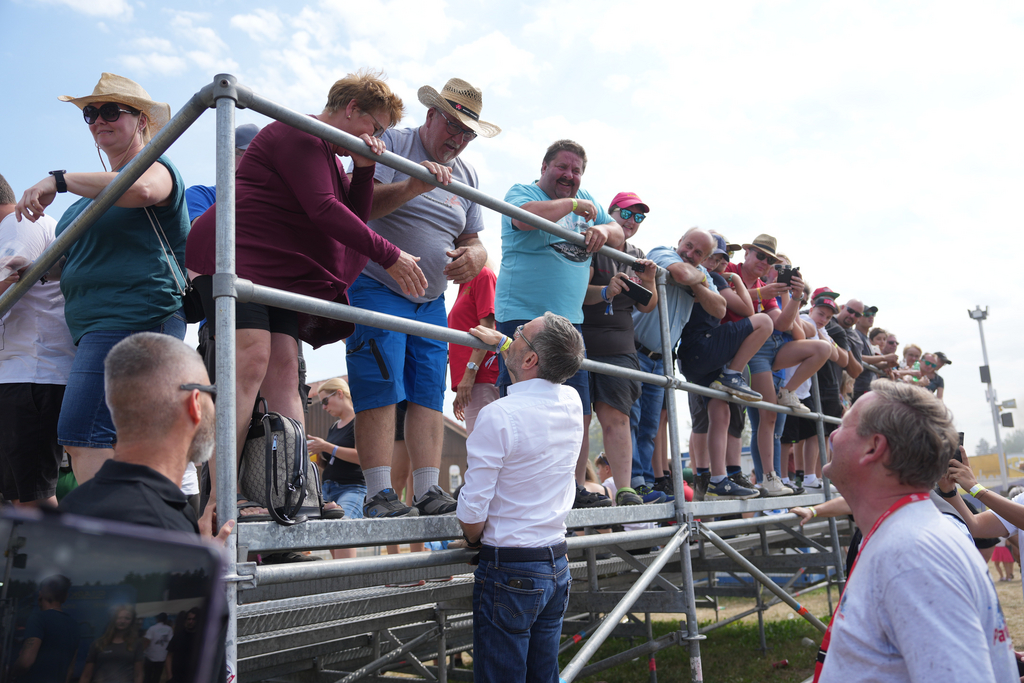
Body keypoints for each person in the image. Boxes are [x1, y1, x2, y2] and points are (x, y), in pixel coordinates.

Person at [186, 70, 422, 523]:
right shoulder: (300, 132)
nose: (377, 138)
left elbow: (354, 215)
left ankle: (292, 491)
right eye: (375, 126)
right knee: (250, 358)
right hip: (232, 252)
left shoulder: (332, 154)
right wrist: (390, 254)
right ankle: (222, 496)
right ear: (351, 109)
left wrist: (365, 169)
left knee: (284, 370)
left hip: (277, 267)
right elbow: (324, 210)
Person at [15, 73, 189, 485]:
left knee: (83, 432)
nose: (98, 120)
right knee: (117, 441)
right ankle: (141, 520)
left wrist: (58, 179)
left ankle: (112, 524)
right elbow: (74, 261)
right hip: (99, 327)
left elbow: (142, 189)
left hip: (134, 316)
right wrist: (31, 270)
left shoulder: (156, 166)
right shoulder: (85, 201)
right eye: (90, 113)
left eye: (111, 111)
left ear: (142, 120)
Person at [347, 77, 498, 519]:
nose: (459, 139)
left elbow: (474, 239)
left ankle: (428, 490)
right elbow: (357, 204)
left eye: (468, 134)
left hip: (431, 301)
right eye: (453, 126)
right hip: (377, 284)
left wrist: (474, 257)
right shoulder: (392, 143)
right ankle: (378, 493)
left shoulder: (467, 174)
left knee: (428, 391)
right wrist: (414, 186)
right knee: (379, 385)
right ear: (430, 115)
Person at [813, 380, 1015, 683]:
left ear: (874, 447)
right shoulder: (907, 537)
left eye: (844, 425)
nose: (831, 434)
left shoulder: (912, 555)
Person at [454, 312, 585, 683]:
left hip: (510, 567)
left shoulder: (497, 415)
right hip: (555, 561)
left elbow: (472, 514)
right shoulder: (572, 400)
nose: (510, 336)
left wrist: (472, 538)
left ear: (530, 359)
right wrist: (503, 344)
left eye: (518, 334)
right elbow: (531, 361)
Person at [494, 140, 624, 507]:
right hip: (523, 319)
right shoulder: (523, 192)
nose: (569, 176)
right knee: (522, 405)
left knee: (578, 409)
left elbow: (618, 232)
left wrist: (603, 231)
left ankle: (574, 489)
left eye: (576, 171)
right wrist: (573, 206)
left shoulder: (589, 201)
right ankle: (516, 487)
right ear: (544, 167)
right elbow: (523, 217)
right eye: (562, 167)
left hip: (570, 326)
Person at [59, 333, 232, 542]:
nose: (215, 407)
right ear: (195, 403)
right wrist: (205, 561)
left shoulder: (72, 505)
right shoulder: (161, 525)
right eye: (212, 392)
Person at [722, 234, 831, 495]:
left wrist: (795, 296)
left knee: (823, 348)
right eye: (761, 256)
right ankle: (767, 478)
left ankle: (788, 393)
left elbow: (785, 325)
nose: (766, 263)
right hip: (750, 352)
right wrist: (763, 293)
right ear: (747, 252)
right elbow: (723, 297)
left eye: (771, 261)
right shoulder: (731, 270)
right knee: (764, 418)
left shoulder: (768, 288)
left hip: (773, 351)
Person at [0, 173, 76, 508]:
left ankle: (54, 548)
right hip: (24, 374)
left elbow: (7, 276)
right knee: (22, 498)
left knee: (34, 501)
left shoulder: (19, 223)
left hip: (32, 374)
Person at [677, 233, 772, 500]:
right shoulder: (714, 279)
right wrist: (737, 280)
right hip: (702, 347)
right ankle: (733, 373)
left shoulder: (695, 274)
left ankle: (718, 479)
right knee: (765, 322)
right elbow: (749, 311)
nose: (718, 263)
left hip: (691, 357)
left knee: (721, 412)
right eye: (714, 257)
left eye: (723, 259)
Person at [580, 192, 660, 506]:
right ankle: (578, 488)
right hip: (582, 342)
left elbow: (648, 305)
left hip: (620, 346)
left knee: (619, 418)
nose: (631, 221)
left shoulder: (638, 255)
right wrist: (605, 291)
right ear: (609, 213)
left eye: (639, 217)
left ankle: (625, 490)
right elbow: (576, 293)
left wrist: (650, 282)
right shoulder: (593, 243)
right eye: (625, 213)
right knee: (580, 418)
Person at [306, 378, 363, 559]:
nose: (323, 407)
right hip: (329, 489)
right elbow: (336, 460)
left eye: (325, 401)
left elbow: (362, 457)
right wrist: (319, 461)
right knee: (332, 533)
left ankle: (348, 577)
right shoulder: (334, 427)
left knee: (343, 527)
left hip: (352, 487)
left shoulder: (360, 421)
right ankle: (342, 576)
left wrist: (326, 447)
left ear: (339, 393)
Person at [447, 264, 499, 435]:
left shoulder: (483, 275)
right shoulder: (465, 283)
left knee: (483, 445)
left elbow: (488, 329)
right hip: (473, 379)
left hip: (482, 375)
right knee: (480, 443)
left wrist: (469, 374)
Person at [184, 123, 260, 223]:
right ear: (227, 156)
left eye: (261, 157)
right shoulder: (200, 195)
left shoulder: (272, 200)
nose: (256, 162)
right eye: (248, 155)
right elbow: (202, 231)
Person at [11, 574, 78, 682]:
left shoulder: (38, 619)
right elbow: (70, 670)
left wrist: (12, 674)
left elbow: (26, 662)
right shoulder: (74, 624)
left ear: (41, 594)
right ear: (65, 597)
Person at [80, 604, 144, 683]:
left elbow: (138, 674)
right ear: (113, 619)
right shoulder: (98, 644)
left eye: (127, 618)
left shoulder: (136, 644)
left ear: (132, 621)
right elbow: (86, 675)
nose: (122, 621)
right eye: (119, 618)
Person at [164, 607, 201, 683]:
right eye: (189, 619)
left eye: (193, 619)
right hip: (177, 677)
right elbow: (169, 656)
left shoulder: (201, 638)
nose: (191, 621)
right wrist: (169, 676)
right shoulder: (178, 635)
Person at [141, 613, 173, 683]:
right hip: (162, 657)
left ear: (157, 619)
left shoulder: (152, 628)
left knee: (147, 675)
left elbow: (147, 641)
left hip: (150, 656)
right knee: (157, 676)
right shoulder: (169, 629)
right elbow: (170, 641)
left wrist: (142, 650)